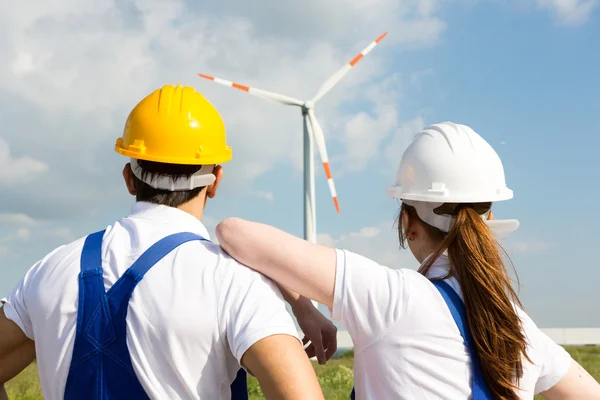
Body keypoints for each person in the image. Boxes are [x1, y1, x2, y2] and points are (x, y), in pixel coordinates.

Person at [215, 122, 600, 399]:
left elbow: (235, 233)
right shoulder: (517, 327)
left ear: (408, 223)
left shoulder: (393, 298)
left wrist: (304, 309)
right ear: (491, 220)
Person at [0, 84, 334, 400]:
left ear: (129, 178)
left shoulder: (48, 271)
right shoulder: (234, 282)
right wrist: (301, 303)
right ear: (215, 180)